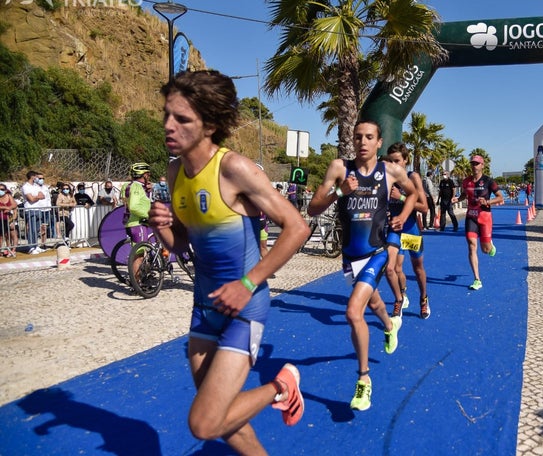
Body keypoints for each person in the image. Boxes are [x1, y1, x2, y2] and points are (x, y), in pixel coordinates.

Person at [148, 70, 308, 454]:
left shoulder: (234, 168)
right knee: (224, 422)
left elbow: (297, 227)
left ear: (211, 125)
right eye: (167, 114)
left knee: (204, 423)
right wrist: (161, 228)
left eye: (182, 119)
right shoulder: (175, 172)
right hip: (204, 307)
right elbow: (184, 243)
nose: (169, 126)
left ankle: (282, 385)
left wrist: (248, 283)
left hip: (245, 308)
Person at [306, 119, 416, 412]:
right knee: (374, 301)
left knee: (354, 310)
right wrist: (340, 192)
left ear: (379, 142)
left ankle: (364, 380)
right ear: (352, 141)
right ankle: (389, 325)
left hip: (378, 251)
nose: (362, 142)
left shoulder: (390, 170)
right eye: (358, 137)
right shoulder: (339, 168)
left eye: (369, 137)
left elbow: (415, 194)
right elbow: (312, 208)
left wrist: (403, 213)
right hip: (350, 256)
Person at [383, 143, 431, 320]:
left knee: (418, 268)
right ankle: (400, 297)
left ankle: (424, 298)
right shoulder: (386, 178)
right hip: (395, 230)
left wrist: (400, 197)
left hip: (411, 229)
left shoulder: (413, 177)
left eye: (397, 161)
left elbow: (424, 208)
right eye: (390, 161)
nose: (394, 165)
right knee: (393, 267)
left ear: (405, 160)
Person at [458, 155, 504, 290]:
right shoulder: (466, 181)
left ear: (482, 165)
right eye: (472, 163)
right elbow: (464, 195)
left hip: (485, 217)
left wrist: (488, 202)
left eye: (477, 163)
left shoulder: (489, 181)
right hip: (471, 217)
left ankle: (490, 245)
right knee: (472, 245)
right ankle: (477, 279)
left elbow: (501, 198)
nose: (474, 166)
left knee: (486, 250)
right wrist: (457, 199)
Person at [122, 163, 153, 279]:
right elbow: (134, 206)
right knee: (139, 255)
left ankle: (142, 276)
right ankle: (138, 283)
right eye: (148, 174)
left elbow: (126, 199)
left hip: (131, 222)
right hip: (138, 223)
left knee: (140, 252)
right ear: (144, 175)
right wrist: (149, 216)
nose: (149, 176)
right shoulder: (137, 187)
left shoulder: (128, 186)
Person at [21, 170, 50, 254]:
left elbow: (43, 195)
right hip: (30, 209)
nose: (38, 179)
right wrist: (37, 197)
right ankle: (31, 247)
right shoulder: (25, 186)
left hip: (38, 209)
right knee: (32, 229)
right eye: (36, 177)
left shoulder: (36, 186)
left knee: (37, 229)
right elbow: (31, 199)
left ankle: (36, 245)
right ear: (32, 177)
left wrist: (36, 197)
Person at [0, 183, 19, 257]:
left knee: (11, 234)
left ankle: (12, 250)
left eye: (2, 189)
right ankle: (3, 250)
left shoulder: (9, 196)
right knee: (2, 236)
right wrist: (5, 207)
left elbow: (14, 204)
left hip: (9, 218)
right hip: (1, 219)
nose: (0, 191)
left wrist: (9, 208)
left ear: (5, 190)